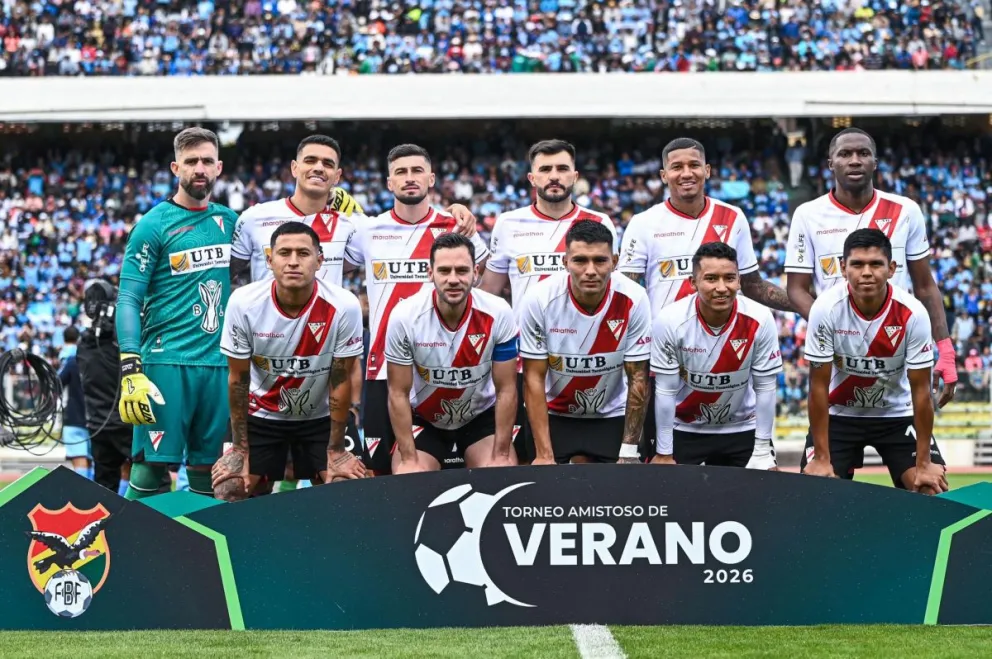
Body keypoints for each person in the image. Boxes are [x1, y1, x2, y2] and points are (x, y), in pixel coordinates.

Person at [343, 143, 491, 475]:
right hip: (383, 366)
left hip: (447, 367)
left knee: (452, 470)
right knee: (381, 471)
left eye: (417, 171)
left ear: (431, 179)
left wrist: (461, 213)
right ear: (389, 182)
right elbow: (329, 266)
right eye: (401, 172)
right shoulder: (368, 231)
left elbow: (484, 280)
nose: (410, 178)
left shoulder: (456, 227)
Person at [785, 127, 957, 408]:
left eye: (863, 153)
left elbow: (925, 286)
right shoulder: (808, 215)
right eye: (845, 154)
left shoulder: (906, 210)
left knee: (922, 450)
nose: (854, 160)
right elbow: (796, 290)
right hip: (839, 360)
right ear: (831, 164)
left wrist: (946, 349)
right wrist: (834, 331)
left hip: (896, 353)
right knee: (826, 446)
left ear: (875, 163)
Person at [116, 127, 240, 499]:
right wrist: (129, 366)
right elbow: (128, 298)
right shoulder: (153, 225)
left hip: (219, 365)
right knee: (151, 470)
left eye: (206, 161)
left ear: (219, 167)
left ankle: (200, 556)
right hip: (166, 363)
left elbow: (285, 248)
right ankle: (129, 552)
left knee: (211, 473)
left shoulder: (232, 223)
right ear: (175, 168)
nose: (199, 169)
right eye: (191, 162)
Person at [479, 139, 619, 463]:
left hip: (583, 360)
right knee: (530, 460)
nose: (554, 176)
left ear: (575, 175)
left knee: (585, 460)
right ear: (532, 178)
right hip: (522, 360)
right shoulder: (509, 224)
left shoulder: (599, 223)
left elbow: (612, 293)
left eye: (561, 169)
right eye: (545, 169)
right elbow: (490, 294)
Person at [212, 222, 366, 499]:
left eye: (303, 253)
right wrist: (240, 449)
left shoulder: (344, 305)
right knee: (231, 488)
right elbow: (238, 380)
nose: (293, 262)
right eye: (285, 253)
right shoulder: (243, 303)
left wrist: (335, 451)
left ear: (319, 261)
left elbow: (341, 379)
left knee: (348, 487)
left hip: (321, 417)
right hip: (259, 416)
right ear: (270, 260)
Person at [800, 229, 947, 494]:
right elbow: (818, 387)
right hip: (839, 416)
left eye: (876, 264)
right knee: (816, 491)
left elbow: (922, 392)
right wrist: (821, 459)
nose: (866, 272)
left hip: (897, 416)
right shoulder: (825, 309)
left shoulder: (913, 313)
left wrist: (924, 463)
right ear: (843, 268)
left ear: (891, 268)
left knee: (931, 489)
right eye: (857, 264)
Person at [518, 220, 651, 464]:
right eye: (580, 260)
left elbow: (638, 376)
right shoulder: (538, 298)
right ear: (565, 262)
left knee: (616, 493)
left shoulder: (635, 298)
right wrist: (544, 455)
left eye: (600, 260)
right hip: (554, 412)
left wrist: (629, 451)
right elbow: (533, 377)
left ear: (615, 261)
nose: (590, 270)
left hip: (610, 414)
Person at [385, 233, 519, 473]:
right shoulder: (404, 316)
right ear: (430, 273)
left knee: (501, 472)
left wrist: (500, 454)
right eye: (444, 270)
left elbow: (506, 388)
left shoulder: (499, 313)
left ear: (476, 273)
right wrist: (408, 458)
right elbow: (398, 393)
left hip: (479, 417)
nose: (453, 279)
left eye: (462, 270)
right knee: (409, 476)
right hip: (425, 419)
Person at [618, 137, 793, 315]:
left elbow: (753, 285)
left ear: (707, 170)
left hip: (721, 339)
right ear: (664, 175)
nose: (686, 173)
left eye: (694, 165)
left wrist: (806, 305)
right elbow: (624, 293)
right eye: (677, 167)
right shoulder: (643, 223)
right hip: (664, 339)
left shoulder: (733, 217)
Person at [649, 243, 782, 468]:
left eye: (729, 278)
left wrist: (761, 450)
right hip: (685, 427)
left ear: (739, 281)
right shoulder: (670, 320)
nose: (722, 287)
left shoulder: (760, 318)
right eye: (711, 279)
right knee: (670, 497)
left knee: (762, 497)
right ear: (693, 283)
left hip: (742, 427)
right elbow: (666, 390)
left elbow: (765, 388)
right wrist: (664, 452)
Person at [58, 327, 92, 481]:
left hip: (74, 417)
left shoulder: (70, 361)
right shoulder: (101, 360)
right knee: (94, 462)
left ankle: (84, 499)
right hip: (97, 418)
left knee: (80, 459)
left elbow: (57, 383)